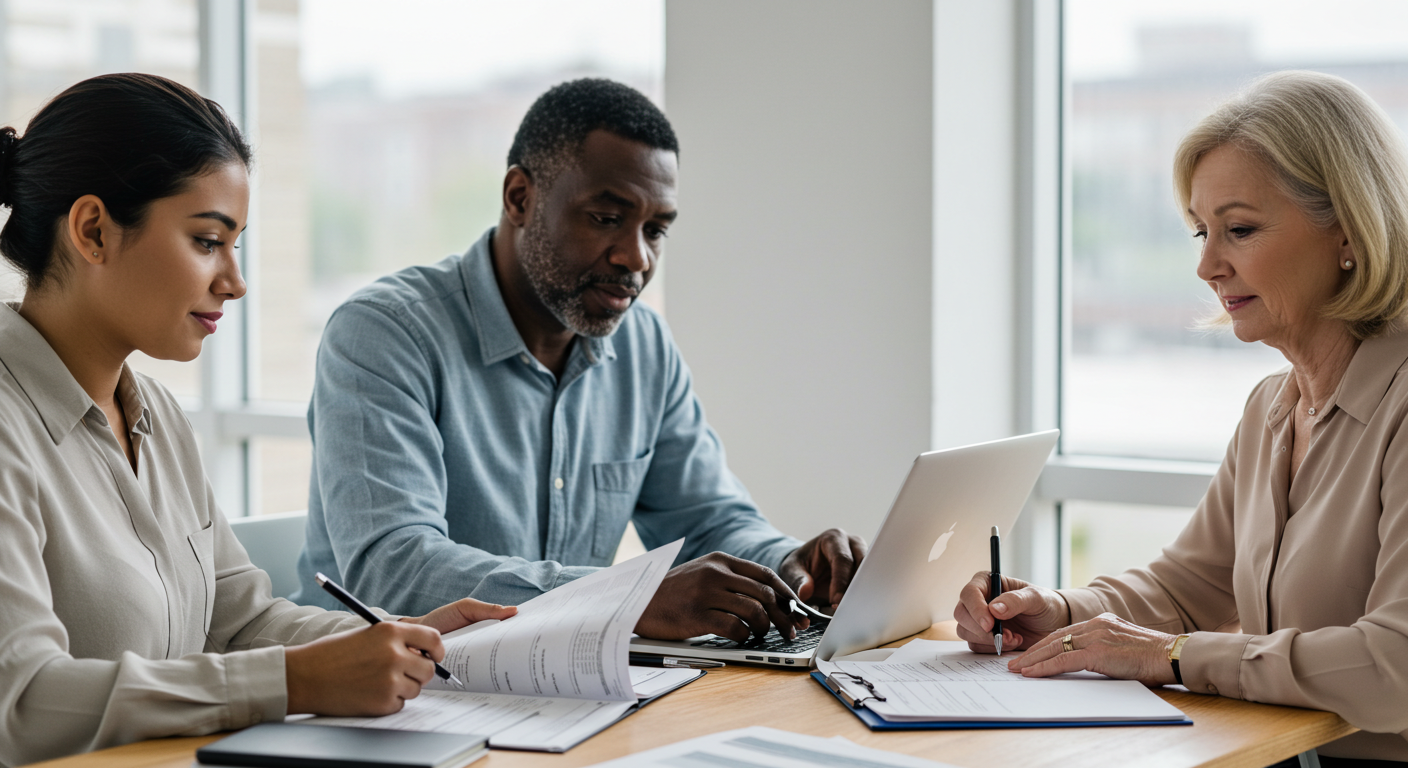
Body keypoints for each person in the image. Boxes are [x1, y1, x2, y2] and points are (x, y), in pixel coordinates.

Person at [0, 73, 517, 767]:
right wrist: (295, 680)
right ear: (93, 230)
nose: (234, 282)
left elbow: (240, 621)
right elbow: (23, 702)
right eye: (208, 241)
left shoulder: (154, 414)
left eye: (236, 244)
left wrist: (395, 636)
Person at [292, 78, 866, 643]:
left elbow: (709, 521)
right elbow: (395, 569)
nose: (635, 258)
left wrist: (793, 565)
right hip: (388, 699)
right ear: (520, 197)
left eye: (656, 230)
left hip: (563, 693)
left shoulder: (643, 345)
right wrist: (629, 598)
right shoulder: (384, 333)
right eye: (606, 218)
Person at [954, 70, 1408, 765]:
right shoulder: (1272, 407)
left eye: (1239, 229)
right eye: (1201, 231)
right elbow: (1186, 586)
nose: (1207, 265)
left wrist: (1170, 656)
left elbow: (1396, 666)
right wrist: (1061, 612)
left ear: (1348, 233)